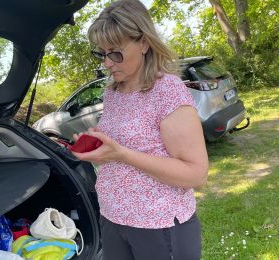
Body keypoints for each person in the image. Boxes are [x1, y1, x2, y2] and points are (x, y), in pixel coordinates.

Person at [71, 0, 209, 259]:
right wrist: (96, 144)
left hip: (158, 225)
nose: (107, 63)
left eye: (115, 52)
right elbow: (123, 144)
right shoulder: (113, 92)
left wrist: (121, 154)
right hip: (113, 218)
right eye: (101, 53)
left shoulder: (166, 90)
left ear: (144, 43)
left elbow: (196, 174)